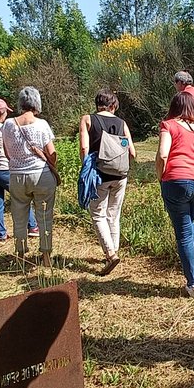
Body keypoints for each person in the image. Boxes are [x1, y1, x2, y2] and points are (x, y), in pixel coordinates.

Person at [156, 92, 194, 297]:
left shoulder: (168, 125)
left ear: (174, 107)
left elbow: (163, 154)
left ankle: (193, 284)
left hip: (177, 180)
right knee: (188, 222)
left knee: (183, 231)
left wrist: (160, 176)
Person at [79, 90, 136, 275]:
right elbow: (132, 152)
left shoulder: (87, 119)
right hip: (120, 175)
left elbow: (84, 148)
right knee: (113, 214)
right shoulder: (122, 123)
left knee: (98, 214)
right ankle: (114, 250)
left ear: (97, 104)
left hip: (99, 174)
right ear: (113, 105)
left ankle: (110, 254)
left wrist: (86, 169)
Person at [2, 86, 58, 267]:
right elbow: (52, 153)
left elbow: (7, 153)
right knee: (45, 215)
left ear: (20, 103)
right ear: (37, 103)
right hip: (41, 174)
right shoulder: (41, 124)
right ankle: (46, 256)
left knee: (19, 216)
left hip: (17, 175)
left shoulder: (8, 124)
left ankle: (20, 255)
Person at [0, 98, 37, 242]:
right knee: (22, 196)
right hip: (4, 168)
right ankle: (32, 226)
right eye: (5, 111)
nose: (6, 114)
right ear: (0, 112)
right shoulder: (1, 129)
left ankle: (1, 233)